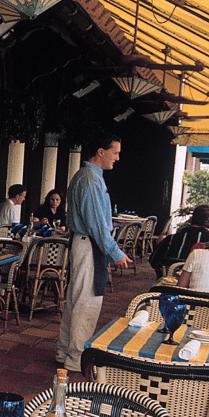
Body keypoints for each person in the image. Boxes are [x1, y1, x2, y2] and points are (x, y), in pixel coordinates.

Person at [56, 133, 130, 372]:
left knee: (77, 299)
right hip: (89, 243)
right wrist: (115, 252)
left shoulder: (88, 176)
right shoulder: (90, 179)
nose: (117, 158)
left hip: (85, 242)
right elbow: (97, 224)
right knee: (86, 302)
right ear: (101, 151)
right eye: (115, 152)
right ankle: (76, 358)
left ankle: (65, 351)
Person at [149, 204, 209, 277]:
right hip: (195, 286)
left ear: (192, 219)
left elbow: (153, 261)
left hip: (167, 284)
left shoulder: (170, 239)